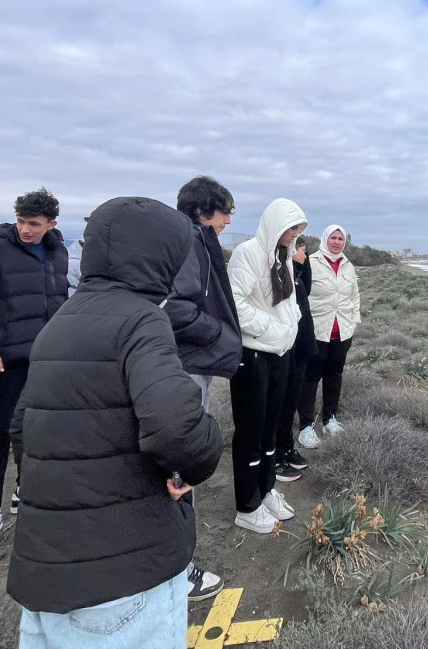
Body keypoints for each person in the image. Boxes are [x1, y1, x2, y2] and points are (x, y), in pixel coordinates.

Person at [8, 197, 223, 649]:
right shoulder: (142, 319)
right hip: (126, 572)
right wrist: (196, 462)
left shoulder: (62, 320)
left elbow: (22, 426)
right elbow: (176, 425)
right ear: (158, 255)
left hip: (49, 566)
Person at [0, 188, 69, 559]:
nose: (25, 229)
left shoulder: (58, 252)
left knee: (41, 429)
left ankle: (27, 490)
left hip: (48, 359)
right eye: (21, 221)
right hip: (8, 361)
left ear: (52, 223)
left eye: (33, 224)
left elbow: (58, 303)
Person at [162, 175, 242, 599]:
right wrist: (219, 335)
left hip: (187, 359)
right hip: (185, 362)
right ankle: (178, 568)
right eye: (224, 211)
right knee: (179, 459)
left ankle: (175, 563)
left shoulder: (189, 240)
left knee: (175, 458)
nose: (228, 220)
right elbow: (176, 306)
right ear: (201, 211)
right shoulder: (189, 243)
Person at [226, 198, 306, 533]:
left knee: (271, 427)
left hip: (279, 354)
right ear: (275, 225)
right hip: (254, 355)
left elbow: (288, 302)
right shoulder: (248, 254)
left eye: (298, 229)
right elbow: (236, 303)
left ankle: (266, 487)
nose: (294, 235)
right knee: (250, 430)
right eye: (290, 228)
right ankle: (247, 505)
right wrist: (272, 329)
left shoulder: (283, 257)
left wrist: (292, 324)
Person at [297, 224, 361, 450]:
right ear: (325, 239)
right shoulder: (311, 263)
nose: (336, 242)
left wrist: (353, 321)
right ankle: (306, 426)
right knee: (310, 377)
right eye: (333, 238)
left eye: (340, 238)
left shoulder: (348, 266)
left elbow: (354, 296)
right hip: (316, 331)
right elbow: (300, 295)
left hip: (342, 331)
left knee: (335, 375)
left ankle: (330, 419)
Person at [273, 235, 314, 481]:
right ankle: (277, 456)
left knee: (290, 404)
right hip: (286, 347)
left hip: (300, 348)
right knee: (282, 405)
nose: (305, 255)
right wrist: (294, 261)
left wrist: (301, 265)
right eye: (302, 250)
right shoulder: (280, 270)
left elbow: (307, 288)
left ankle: (287, 448)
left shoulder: (295, 273)